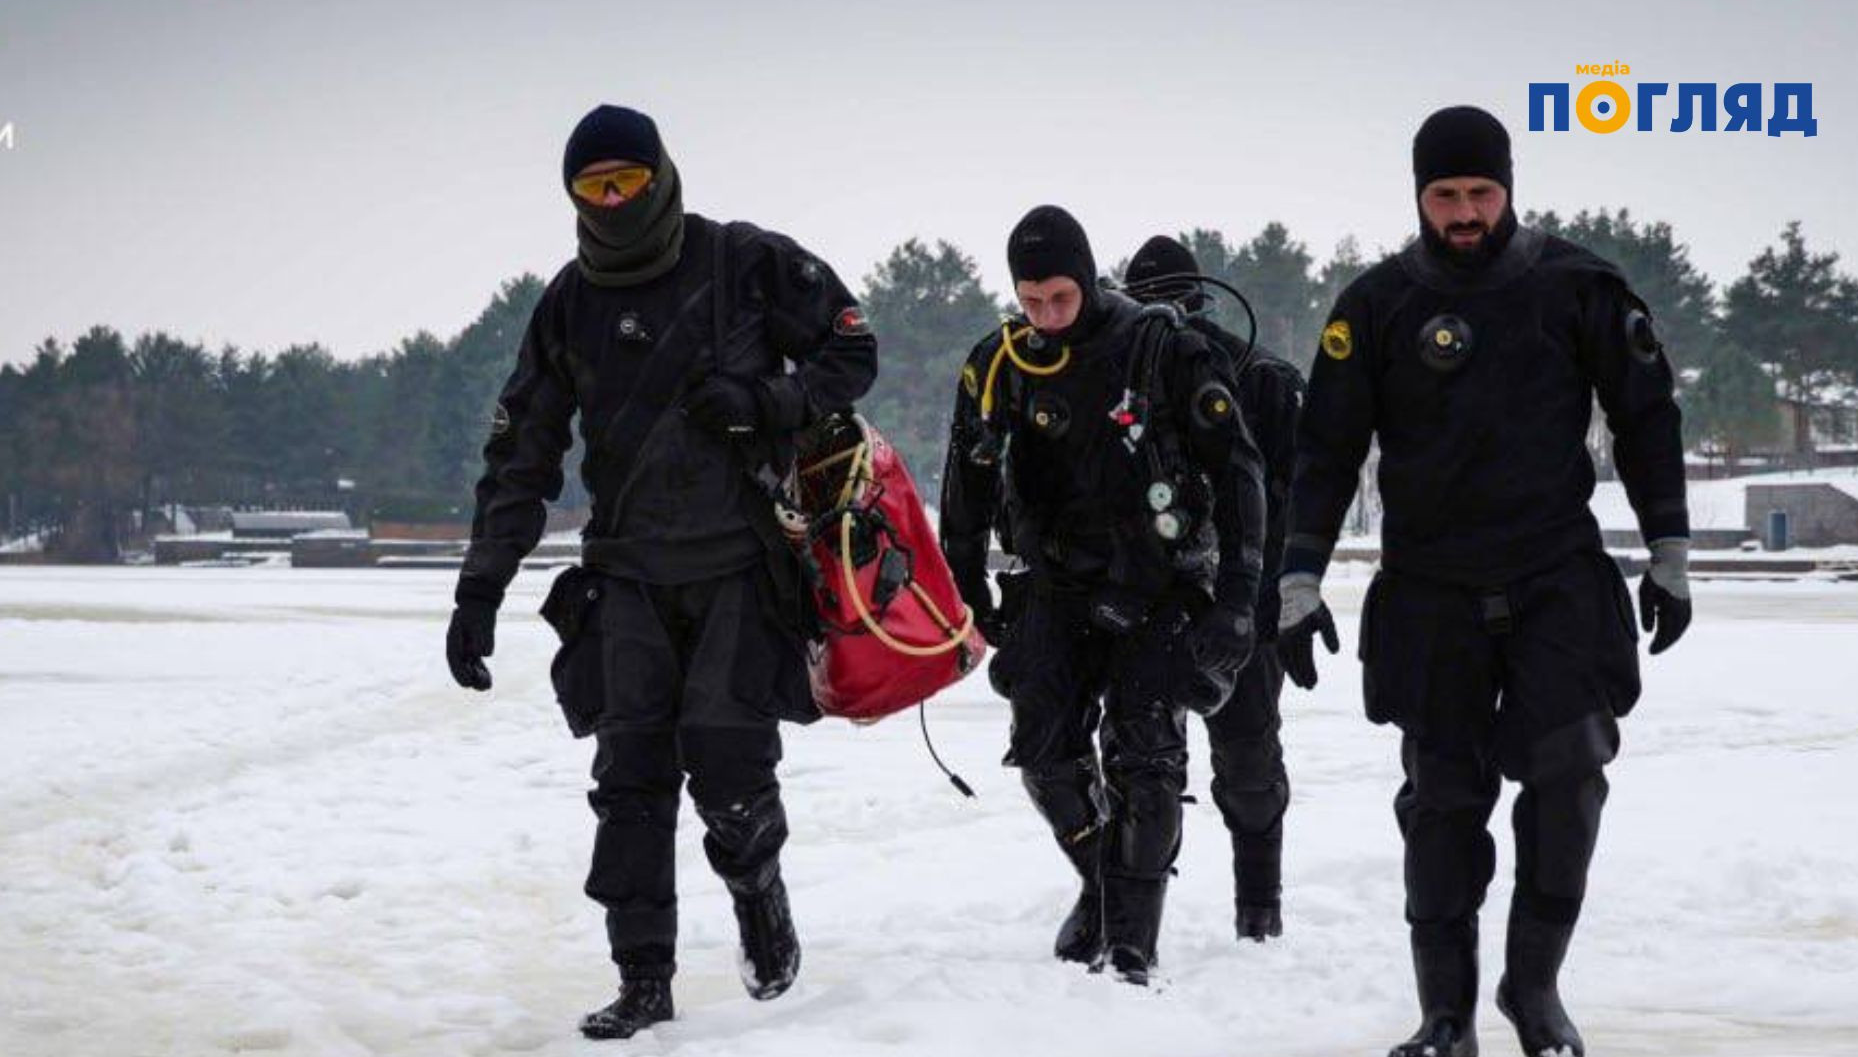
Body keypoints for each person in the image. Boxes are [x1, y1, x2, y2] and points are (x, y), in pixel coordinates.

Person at [444, 104, 877, 1039]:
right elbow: (523, 452)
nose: (610, 200)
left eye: (625, 182)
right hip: (628, 576)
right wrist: (480, 586)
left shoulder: (747, 263)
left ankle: (759, 895)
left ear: (662, 176)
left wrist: (771, 400)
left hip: (738, 568)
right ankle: (644, 979)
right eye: (590, 186)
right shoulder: (567, 302)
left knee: (728, 766)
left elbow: (854, 350)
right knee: (630, 782)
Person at [1277, 105, 1691, 1057]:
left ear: (1509, 187)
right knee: (1443, 799)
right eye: (1445, 195)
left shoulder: (1578, 287)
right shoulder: (1374, 306)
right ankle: (1447, 1017)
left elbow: (1647, 417)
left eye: (1481, 193)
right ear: (1418, 195)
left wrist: (1669, 552)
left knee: (1570, 772)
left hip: (1554, 574)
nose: (1464, 213)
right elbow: (1326, 451)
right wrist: (1299, 579)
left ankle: (1533, 990)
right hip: (1429, 586)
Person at [939, 205, 1267, 985]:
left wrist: (1237, 600)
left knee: (1144, 753)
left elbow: (1239, 472)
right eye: (1031, 301)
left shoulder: (1163, 350)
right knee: (1045, 751)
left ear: (1087, 280)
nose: (1046, 317)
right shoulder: (1002, 362)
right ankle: (1101, 882)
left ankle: (1131, 946)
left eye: (1060, 297)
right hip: (1056, 580)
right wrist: (964, 582)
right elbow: (967, 481)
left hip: (1162, 581)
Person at [1123, 236, 1302, 941]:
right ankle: (1127, 916)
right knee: (1139, 766)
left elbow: (1299, 497)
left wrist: (1291, 595)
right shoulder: (1115, 370)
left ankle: (1259, 907)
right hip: (1144, 597)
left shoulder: (1262, 379)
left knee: (1250, 759)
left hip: (1244, 597)